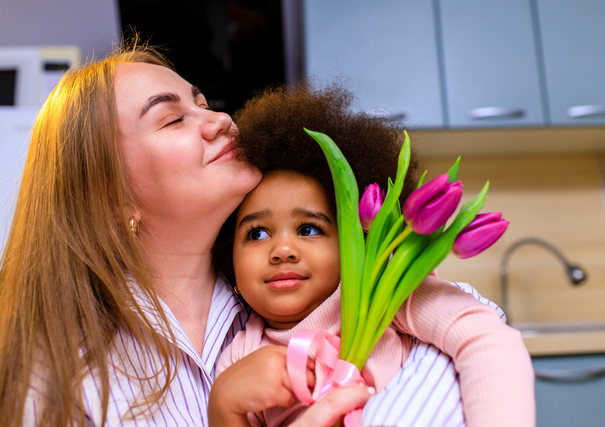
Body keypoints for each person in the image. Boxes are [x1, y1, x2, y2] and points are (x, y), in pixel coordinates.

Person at [0, 41, 532, 427]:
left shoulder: (329, 291)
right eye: (171, 120)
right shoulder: (59, 376)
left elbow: (482, 336)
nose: (220, 121)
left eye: (202, 103)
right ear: (111, 197)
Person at [211, 84, 535, 426]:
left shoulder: (386, 293)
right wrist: (224, 406)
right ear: (227, 254)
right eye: (256, 233)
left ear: (354, 241)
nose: (282, 251)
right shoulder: (237, 358)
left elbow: (485, 339)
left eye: (308, 229)